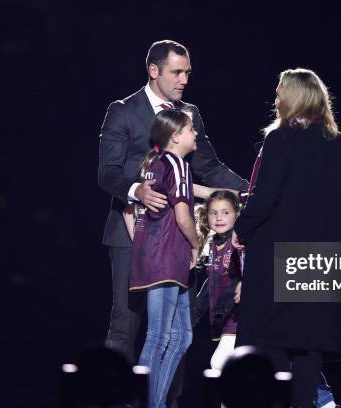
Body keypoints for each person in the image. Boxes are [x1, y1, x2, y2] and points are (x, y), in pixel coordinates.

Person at [97, 39, 248, 387]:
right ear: (154, 71)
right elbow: (108, 172)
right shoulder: (122, 110)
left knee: (174, 332)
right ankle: (111, 397)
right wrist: (138, 191)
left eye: (188, 73)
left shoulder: (190, 114)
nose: (184, 79)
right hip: (130, 232)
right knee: (126, 324)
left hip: (174, 240)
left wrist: (251, 190)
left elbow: (211, 168)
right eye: (176, 72)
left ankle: (165, 399)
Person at [232, 68, 341, 408]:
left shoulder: (281, 139)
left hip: (277, 259)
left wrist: (241, 231)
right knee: (308, 349)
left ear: (292, 98)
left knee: (272, 344)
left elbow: (264, 198)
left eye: (279, 94)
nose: (275, 100)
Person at [128, 109, 198, 408]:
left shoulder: (154, 165)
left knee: (182, 336)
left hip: (156, 260)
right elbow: (183, 216)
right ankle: (143, 402)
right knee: (158, 336)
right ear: (176, 135)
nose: (195, 133)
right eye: (191, 128)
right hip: (168, 259)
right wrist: (196, 244)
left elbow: (129, 211)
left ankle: (155, 404)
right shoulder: (178, 164)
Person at [194, 190, 243, 371]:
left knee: (219, 364)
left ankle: (323, 398)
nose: (219, 217)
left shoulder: (240, 241)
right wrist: (196, 312)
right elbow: (211, 283)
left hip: (239, 319)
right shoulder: (213, 243)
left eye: (226, 212)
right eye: (214, 213)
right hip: (224, 322)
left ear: (237, 215)